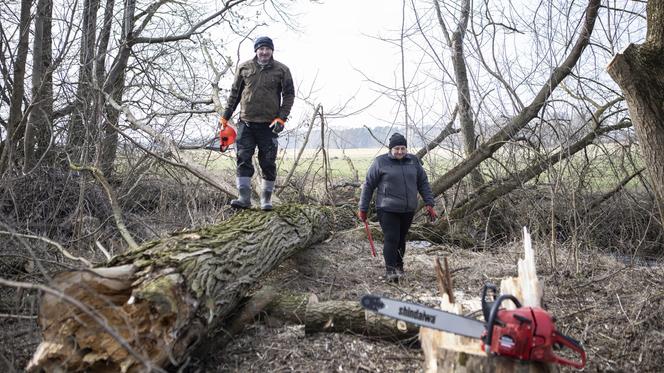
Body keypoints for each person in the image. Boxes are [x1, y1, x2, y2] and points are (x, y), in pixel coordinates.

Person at [220, 36, 295, 210]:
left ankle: (266, 200)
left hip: (269, 125)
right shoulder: (244, 68)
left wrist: (281, 118)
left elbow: (289, 95)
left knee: (268, 162)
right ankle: (244, 198)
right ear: (256, 50)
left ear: (271, 50)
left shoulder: (282, 70)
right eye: (261, 49)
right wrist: (225, 116)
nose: (264, 52)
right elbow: (234, 94)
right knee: (243, 159)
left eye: (267, 49)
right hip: (246, 123)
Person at [358, 133, 438, 282]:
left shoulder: (413, 161)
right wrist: (363, 208)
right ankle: (390, 271)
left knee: (401, 239)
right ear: (391, 149)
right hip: (387, 208)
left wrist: (429, 203)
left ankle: (399, 267)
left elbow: (423, 182)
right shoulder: (380, 162)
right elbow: (368, 185)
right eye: (396, 148)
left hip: (408, 209)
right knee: (392, 238)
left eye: (403, 148)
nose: (400, 151)